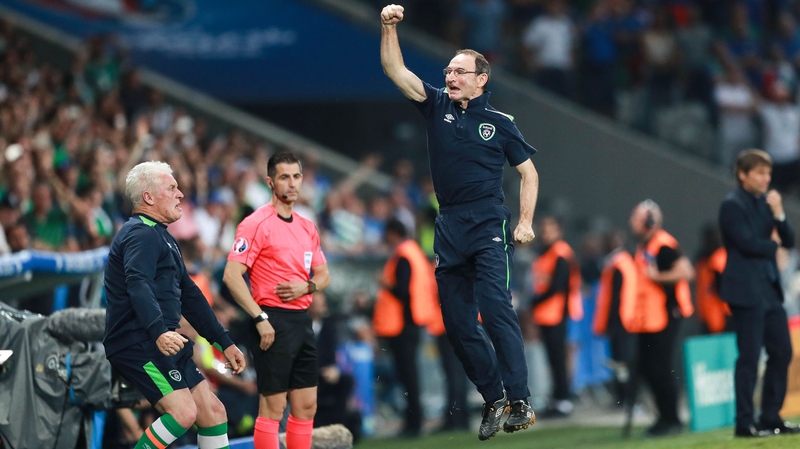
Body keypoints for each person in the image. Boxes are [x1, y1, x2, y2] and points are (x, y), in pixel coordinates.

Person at [380, 4, 539, 440]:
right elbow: (395, 70)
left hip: (487, 223)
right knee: (457, 325)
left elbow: (528, 173)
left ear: (480, 79)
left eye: (459, 71)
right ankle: (493, 398)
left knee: (495, 307)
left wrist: (525, 221)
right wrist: (388, 28)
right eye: (447, 70)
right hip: (449, 227)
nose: (449, 77)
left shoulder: (500, 123)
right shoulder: (435, 105)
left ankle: (520, 400)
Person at [103, 161, 246, 449]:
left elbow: (191, 296)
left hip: (165, 341)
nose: (180, 194)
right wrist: (158, 330)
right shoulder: (140, 234)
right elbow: (138, 284)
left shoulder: (163, 237)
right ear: (148, 197)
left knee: (213, 413)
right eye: (171, 188)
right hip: (140, 341)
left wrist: (224, 342)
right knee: (183, 412)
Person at [223, 151, 331, 449]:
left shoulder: (307, 226)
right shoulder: (255, 223)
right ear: (270, 182)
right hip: (272, 320)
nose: (292, 183)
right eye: (284, 177)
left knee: (307, 406)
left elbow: (324, 275)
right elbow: (232, 275)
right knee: (273, 407)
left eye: (296, 176)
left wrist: (306, 287)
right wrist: (259, 317)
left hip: (301, 320)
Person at [719, 149, 800, 438]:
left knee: (782, 351)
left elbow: (789, 240)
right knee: (750, 357)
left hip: (768, 288)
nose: (767, 179)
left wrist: (779, 214)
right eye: (760, 173)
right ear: (743, 175)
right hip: (744, 289)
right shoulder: (731, 205)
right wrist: (772, 245)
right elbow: (747, 243)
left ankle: (770, 417)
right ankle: (744, 422)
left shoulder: (767, 204)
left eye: (768, 173)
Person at [628, 200, 695, 437]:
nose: (632, 222)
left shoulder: (663, 245)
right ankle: (663, 417)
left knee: (660, 368)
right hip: (648, 318)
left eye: (636, 218)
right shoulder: (645, 246)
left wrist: (657, 277)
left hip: (666, 315)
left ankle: (671, 419)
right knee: (648, 368)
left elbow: (686, 271)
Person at [373, 218, 438, 437]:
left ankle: (413, 422)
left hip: (403, 323)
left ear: (392, 233)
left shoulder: (402, 255)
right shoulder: (414, 252)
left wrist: (385, 284)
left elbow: (402, 291)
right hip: (415, 319)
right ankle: (414, 420)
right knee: (411, 375)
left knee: (408, 375)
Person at [529, 216, 582, 417]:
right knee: (553, 360)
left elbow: (558, 286)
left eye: (550, 230)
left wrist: (534, 301)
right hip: (546, 315)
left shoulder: (561, 253)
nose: (545, 234)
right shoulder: (547, 253)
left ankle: (563, 400)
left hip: (557, 314)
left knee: (559, 359)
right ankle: (557, 398)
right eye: (544, 229)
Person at [592, 230, 637, 408]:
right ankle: (623, 396)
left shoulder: (618, 264)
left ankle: (628, 397)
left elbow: (617, 297)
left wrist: (611, 322)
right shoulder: (618, 263)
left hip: (622, 321)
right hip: (622, 321)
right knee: (619, 362)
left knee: (622, 361)